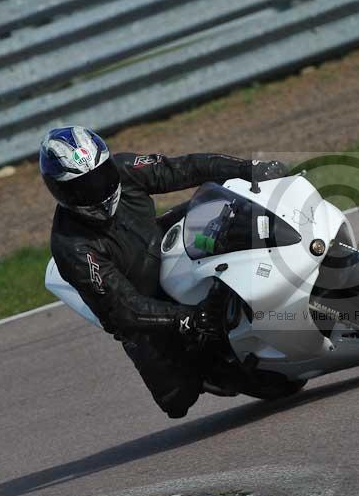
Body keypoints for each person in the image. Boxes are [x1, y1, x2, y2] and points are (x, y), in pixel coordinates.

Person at [39, 125, 287, 418]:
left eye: (101, 177)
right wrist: (184, 318)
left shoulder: (125, 169)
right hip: (143, 303)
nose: (98, 191)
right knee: (177, 399)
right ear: (61, 192)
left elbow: (184, 168)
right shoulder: (71, 245)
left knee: (230, 203)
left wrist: (248, 168)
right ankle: (217, 367)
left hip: (164, 243)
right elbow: (122, 308)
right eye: (83, 187)